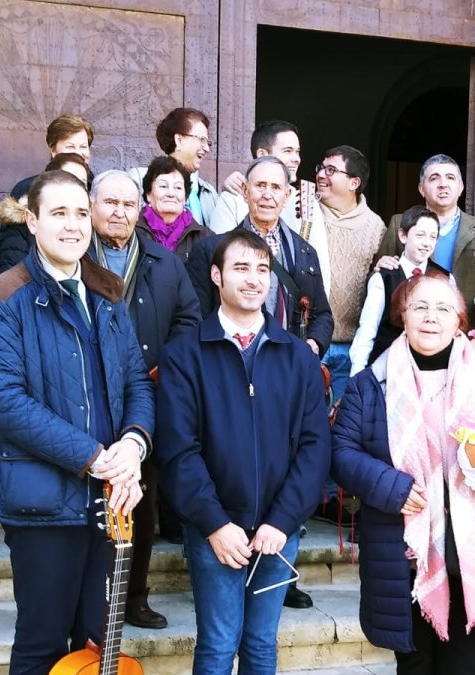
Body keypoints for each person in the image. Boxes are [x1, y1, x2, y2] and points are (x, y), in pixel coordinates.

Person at [0, 170, 154, 674]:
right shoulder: (4, 296)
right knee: (42, 644)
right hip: (43, 504)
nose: (72, 225)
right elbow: (4, 401)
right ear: (32, 221)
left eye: (79, 213)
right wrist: (95, 457)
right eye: (58, 213)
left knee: (97, 647)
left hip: (110, 499)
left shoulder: (109, 291)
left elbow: (136, 382)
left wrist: (134, 445)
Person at [331, 273, 475, 675]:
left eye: (443, 308)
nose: (431, 317)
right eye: (419, 307)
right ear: (402, 316)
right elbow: (340, 453)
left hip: (470, 550)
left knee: (462, 664)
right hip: (405, 550)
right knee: (414, 663)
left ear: (460, 319)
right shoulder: (372, 384)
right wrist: (390, 486)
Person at [155, 228, 332, 675]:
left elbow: (314, 448)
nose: (253, 279)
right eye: (240, 268)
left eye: (262, 270)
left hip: (278, 529)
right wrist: (215, 523)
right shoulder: (184, 355)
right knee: (217, 645)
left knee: (260, 645)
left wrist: (282, 521)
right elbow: (179, 450)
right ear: (216, 275)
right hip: (216, 531)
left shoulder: (298, 357)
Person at [86, 169, 200, 627]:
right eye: (110, 203)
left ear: (141, 210)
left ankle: (133, 597)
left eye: (128, 204)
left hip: (145, 402)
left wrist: (162, 369)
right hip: (86, 399)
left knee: (141, 503)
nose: (119, 212)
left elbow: (189, 322)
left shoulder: (165, 262)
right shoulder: (74, 257)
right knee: (85, 509)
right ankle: (88, 600)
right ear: (92, 207)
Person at [186, 156, 332, 356]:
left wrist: (313, 344)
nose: (267, 195)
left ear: (287, 195)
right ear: (245, 191)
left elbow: (322, 315)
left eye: (275, 187)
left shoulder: (305, 252)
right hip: (227, 361)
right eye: (260, 186)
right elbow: (195, 317)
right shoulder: (210, 250)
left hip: (287, 363)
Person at [374, 154, 475, 340]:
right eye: (434, 178)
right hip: (408, 333)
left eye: (450, 178)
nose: (443, 184)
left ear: (461, 187)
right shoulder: (398, 224)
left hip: (463, 333)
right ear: (421, 189)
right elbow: (378, 276)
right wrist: (380, 265)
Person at [311, 145, 386, 399]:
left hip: (351, 349)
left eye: (331, 170)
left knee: (343, 425)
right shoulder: (305, 212)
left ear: (354, 182)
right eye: (321, 168)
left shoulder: (375, 226)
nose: (321, 174)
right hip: (309, 343)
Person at [350, 205, 450, 374]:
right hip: (388, 367)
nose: (427, 243)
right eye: (420, 235)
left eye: (433, 237)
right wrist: (357, 375)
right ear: (403, 236)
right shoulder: (383, 277)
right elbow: (368, 330)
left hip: (431, 371)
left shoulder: (445, 278)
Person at [0, 149, 93, 274]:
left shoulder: (86, 225)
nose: (73, 187)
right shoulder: (20, 226)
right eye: (65, 179)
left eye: (81, 183)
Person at [129, 107, 218, 225]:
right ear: (179, 140)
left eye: (208, 143)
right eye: (201, 140)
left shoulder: (209, 193)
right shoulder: (139, 179)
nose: (206, 148)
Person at [8, 114, 94, 200]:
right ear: (53, 150)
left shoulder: (98, 188)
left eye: (83, 147)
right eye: (70, 147)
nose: (78, 153)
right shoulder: (27, 189)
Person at [139, 155, 209, 260]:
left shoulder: (203, 236)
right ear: (148, 194)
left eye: (178, 187)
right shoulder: (134, 231)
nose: (171, 194)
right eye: (163, 186)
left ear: (185, 197)